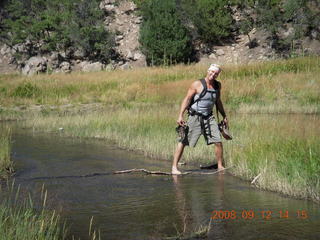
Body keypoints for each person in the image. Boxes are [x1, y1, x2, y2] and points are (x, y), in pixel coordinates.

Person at [172, 64, 228, 175]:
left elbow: (218, 102)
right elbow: (187, 99)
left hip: (209, 117)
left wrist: (224, 116)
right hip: (194, 116)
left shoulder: (218, 86)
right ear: (208, 71)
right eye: (211, 72)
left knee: (218, 141)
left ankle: (220, 166)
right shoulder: (197, 84)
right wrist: (180, 115)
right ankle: (174, 167)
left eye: (216, 73)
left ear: (218, 74)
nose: (213, 74)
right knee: (183, 141)